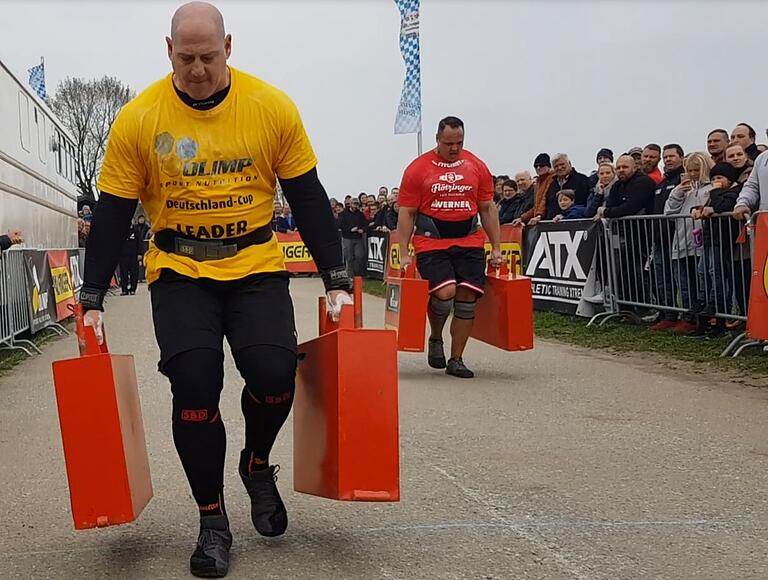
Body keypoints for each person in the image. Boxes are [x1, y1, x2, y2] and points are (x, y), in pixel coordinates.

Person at [78, 3, 353, 577]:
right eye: (186, 58)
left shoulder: (270, 107)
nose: (198, 69)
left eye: (208, 56)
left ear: (228, 46)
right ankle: (212, 519)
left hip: (254, 264)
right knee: (197, 387)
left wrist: (337, 278)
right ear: (168, 51)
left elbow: (306, 194)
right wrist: (93, 295)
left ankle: (256, 464)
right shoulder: (138, 118)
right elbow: (111, 214)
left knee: (276, 379)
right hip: (180, 272)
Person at [397, 116, 502, 379]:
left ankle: (457, 359)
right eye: (448, 143)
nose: (454, 148)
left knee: (467, 296)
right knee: (445, 292)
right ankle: (435, 337)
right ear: (437, 139)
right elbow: (407, 213)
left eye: (459, 142)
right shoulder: (417, 169)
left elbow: (487, 208)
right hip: (431, 241)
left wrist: (497, 247)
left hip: (469, 240)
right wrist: (404, 251)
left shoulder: (476, 165)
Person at [663, 152, 713, 334]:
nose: (693, 174)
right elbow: (668, 212)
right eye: (690, 170)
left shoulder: (712, 187)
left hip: (703, 242)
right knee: (685, 282)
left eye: (697, 170)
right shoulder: (684, 190)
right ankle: (690, 316)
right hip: (683, 241)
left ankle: (707, 320)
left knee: (703, 282)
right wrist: (676, 193)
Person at [691, 162, 742, 336]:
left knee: (716, 272)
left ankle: (718, 311)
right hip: (709, 238)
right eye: (713, 178)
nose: (716, 181)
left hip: (723, 240)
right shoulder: (716, 193)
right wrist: (696, 210)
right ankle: (704, 309)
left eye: (719, 178)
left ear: (729, 179)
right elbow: (706, 206)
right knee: (702, 270)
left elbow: (721, 207)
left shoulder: (734, 192)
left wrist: (715, 191)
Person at [648, 144, 686, 331]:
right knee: (662, 278)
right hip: (659, 237)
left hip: (676, 237)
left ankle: (687, 315)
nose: (668, 159)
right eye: (666, 156)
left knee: (681, 278)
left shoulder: (683, 178)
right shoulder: (662, 182)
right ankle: (667, 313)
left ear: (681, 157)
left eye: (672, 156)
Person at [543, 153, 591, 219]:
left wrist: (564, 215)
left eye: (562, 164)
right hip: (553, 225)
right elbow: (549, 206)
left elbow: (584, 204)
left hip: (577, 223)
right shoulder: (552, 185)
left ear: (569, 163)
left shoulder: (582, 180)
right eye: (556, 166)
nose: (559, 167)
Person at [516, 153, 556, 226]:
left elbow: (544, 199)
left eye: (541, 165)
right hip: (540, 219)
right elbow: (536, 206)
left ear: (548, 166)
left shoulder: (552, 178)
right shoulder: (538, 182)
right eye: (536, 166)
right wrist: (522, 218)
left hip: (548, 220)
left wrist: (539, 216)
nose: (538, 168)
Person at [338, 197, 368, 276]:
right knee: (349, 258)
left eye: (357, 204)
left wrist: (362, 229)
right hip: (347, 238)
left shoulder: (360, 214)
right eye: (354, 204)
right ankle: (350, 276)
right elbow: (340, 225)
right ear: (350, 204)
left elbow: (365, 224)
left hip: (358, 238)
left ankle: (356, 274)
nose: (355, 206)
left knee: (360, 256)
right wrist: (350, 230)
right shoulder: (343, 214)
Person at [118, 220, 141, 295]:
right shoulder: (120, 230)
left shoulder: (135, 230)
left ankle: (133, 289)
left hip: (133, 256)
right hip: (123, 256)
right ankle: (124, 289)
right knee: (123, 273)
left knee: (134, 273)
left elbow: (139, 242)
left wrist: (139, 253)